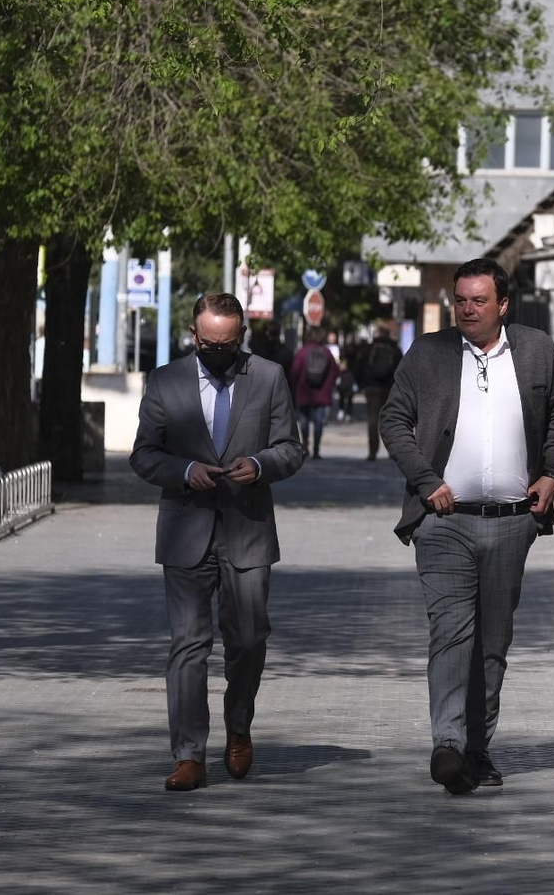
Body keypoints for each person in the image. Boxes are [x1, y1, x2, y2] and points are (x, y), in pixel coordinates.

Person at [379, 258, 554, 795]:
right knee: (451, 634)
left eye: (479, 300)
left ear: (502, 305)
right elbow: (392, 419)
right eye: (460, 300)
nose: (467, 309)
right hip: (444, 521)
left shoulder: (535, 350)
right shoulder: (430, 354)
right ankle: (446, 744)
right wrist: (424, 479)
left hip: (513, 523)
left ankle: (477, 750)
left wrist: (553, 474)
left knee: (491, 644)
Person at [129, 292, 305, 791]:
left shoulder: (267, 377)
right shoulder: (165, 381)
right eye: (209, 343)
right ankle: (188, 755)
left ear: (241, 337)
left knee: (248, 640)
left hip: (248, 528)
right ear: (194, 335)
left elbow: (291, 448)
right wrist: (185, 470)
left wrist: (261, 465)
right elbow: (144, 455)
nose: (218, 351)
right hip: (187, 528)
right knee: (188, 645)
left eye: (228, 344)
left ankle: (239, 727)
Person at [354, 323, 403, 461]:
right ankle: (391, 451)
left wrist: (362, 385)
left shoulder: (369, 349)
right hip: (389, 388)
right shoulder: (395, 349)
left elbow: (358, 368)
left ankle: (372, 451)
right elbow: (402, 369)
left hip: (372, 388)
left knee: (372, 420)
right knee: (390, 419)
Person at [290, 328, 339, 460]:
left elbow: (294, 371)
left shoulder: (302, 352)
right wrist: (328, 386)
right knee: (318, 422)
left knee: (304, 421)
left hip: (303, 392)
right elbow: (335, 372)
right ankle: (317, 449)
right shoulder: (327, 352)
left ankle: (305, 446)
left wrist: (294, 388)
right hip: (321, 393)